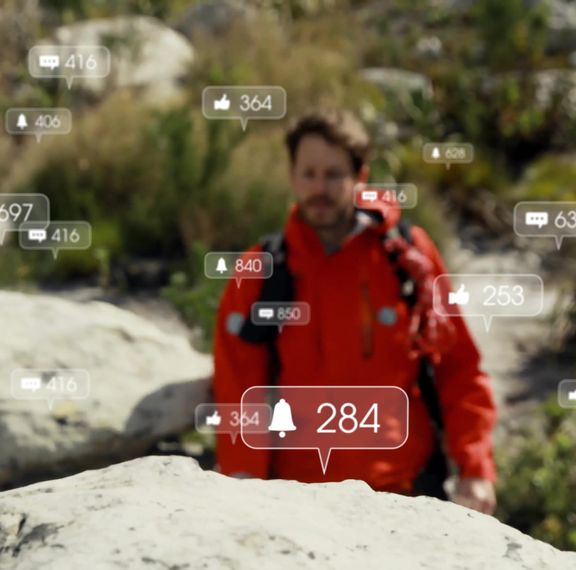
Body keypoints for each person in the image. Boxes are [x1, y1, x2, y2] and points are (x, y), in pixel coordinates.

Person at [211, 109, 497, 514]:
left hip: (405, 495)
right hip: (297, 503)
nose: (319, 188)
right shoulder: (261, 270)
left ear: (360, 176)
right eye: (308, 173)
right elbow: (238, 388)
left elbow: (458, 365)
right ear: (292, 176)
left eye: (333, 174)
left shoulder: (407, 256)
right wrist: (242, 485)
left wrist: (475, 468)